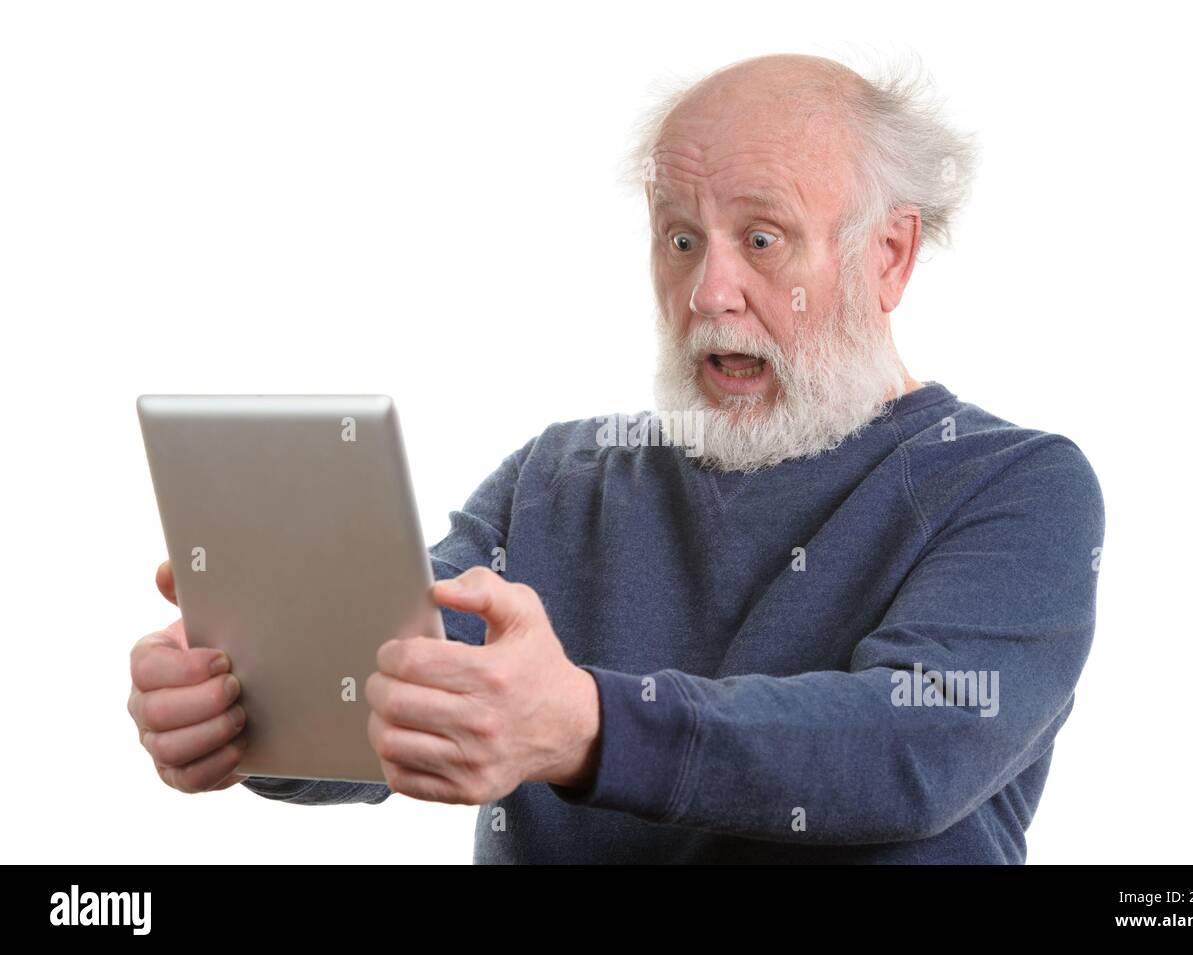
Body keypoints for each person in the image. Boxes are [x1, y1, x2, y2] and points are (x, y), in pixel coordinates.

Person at [127, 53, 1104, 863]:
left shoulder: (1013, 486)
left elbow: (910, 743)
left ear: (886, 257)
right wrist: (250, 701)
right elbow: (412, 677)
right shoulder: (558, 479)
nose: (707, 290)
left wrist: (586, 726)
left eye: (761, 239)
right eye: (680, 238)